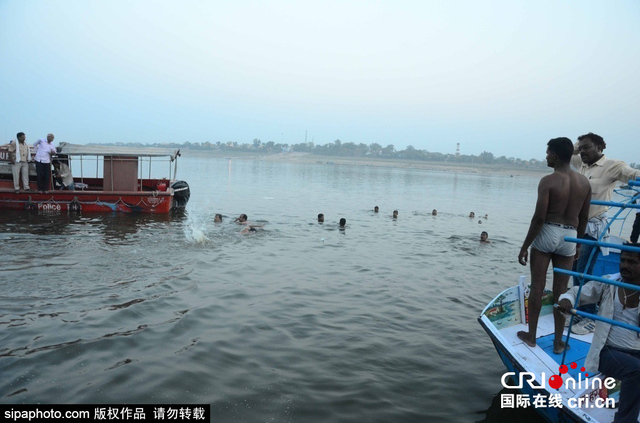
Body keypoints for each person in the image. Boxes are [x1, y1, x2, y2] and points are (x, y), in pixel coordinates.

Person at [517, 137, 592, 354]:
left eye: (548, 152)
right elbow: (584, 217)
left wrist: (525, 246)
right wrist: (578, 244)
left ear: (556, 155)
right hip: (570, 235)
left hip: (548, 230)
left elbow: (539, 218)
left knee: (538, 286)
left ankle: (531, 337)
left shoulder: (548, 181)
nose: (546, 156)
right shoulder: (584, 182)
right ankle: (558, 343)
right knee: (562, 292)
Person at [557, 244, 640, 423]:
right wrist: (567, 299)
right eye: (623, 260)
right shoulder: (609, 283)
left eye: (632, 262)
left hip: (636, 351)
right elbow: (578, 292)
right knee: (636, 370)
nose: (625, 265)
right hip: (607, 351)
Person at [571, 133, 640, 335]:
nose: (582, 151)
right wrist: (579, 148)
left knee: (584, 269)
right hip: (577, 226)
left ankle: (589, 315)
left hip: (594, 226)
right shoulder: (579, 162)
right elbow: (566, 153)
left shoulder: (612, 165)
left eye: (587, 147)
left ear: (600, 147)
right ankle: (579, 310)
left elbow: (632, 174)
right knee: (575, 269)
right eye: (580, 147)